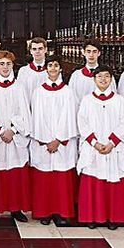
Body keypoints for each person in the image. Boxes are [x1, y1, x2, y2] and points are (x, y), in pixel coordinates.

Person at [76, 65, 124, 230]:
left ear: (111, 79)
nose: (103, 80)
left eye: (107, 76)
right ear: (94, 79)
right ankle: (92, 217)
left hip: (112, 147)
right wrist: (94, 142)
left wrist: (112, 142)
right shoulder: (87, 100)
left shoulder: (119, 100)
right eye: (99, 77)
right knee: (93, 182)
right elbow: (82, 122)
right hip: (94, 147)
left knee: (113, 182)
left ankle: (113, 217)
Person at [0, 50, 32, 223]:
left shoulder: (19, 87)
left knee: (15, 173)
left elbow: (24, 111)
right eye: (1, 63)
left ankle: (16, 208)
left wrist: (14, 129)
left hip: (14, 137)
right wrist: (0, 130)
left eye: (8, 64)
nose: (5, 67)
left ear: (13, 65)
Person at [30, 58, 79, 226]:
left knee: (61, 179)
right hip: (44, 143)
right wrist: (46, 140)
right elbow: (37, 117)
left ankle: (62, 212)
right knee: (44, 180)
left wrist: (58, 139)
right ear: (46, 69)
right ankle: (45, 212)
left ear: (60, 69)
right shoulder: (38, 92)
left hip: (61, 143)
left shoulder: (68, 92)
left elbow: (70, 117)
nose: (52, 68)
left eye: (56, 65)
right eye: (50, 65)